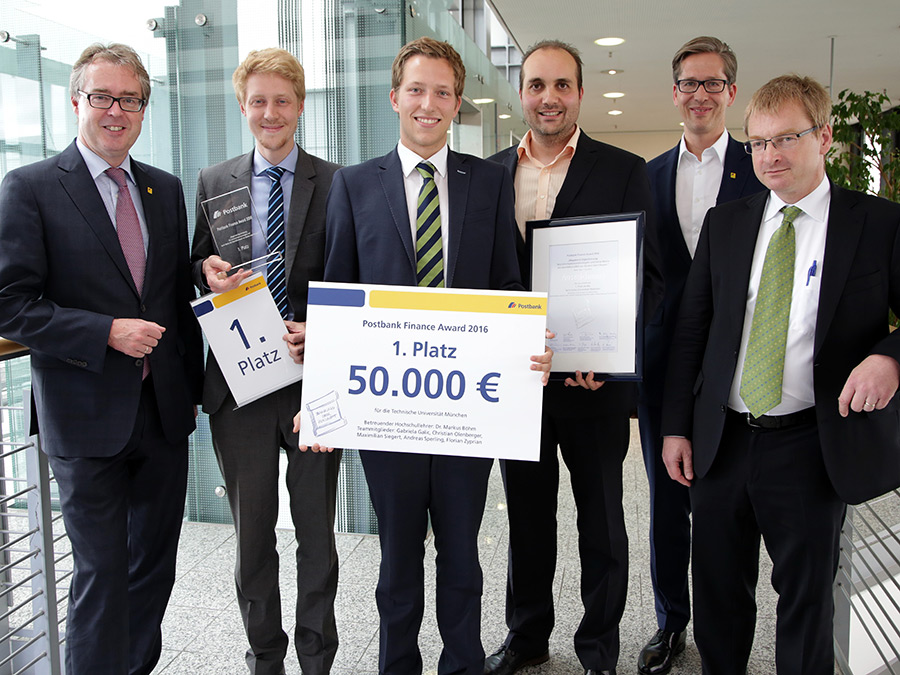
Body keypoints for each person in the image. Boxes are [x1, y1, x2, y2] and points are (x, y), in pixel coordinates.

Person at [321, 36, 552, 675]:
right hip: (387, 412)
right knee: (397, 560)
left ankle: (463, 665)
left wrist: (529, 343)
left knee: (461, 555)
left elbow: (508, 286)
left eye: (443, 92)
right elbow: (339, 297)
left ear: (457, 103)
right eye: (417, 90)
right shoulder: (354, 185)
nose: (429, 103)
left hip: (466, 413)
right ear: (396, 98)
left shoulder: (488, 182)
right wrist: (325, 407)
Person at [661, 74, 900, 674]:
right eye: (758, 142)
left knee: (806, 600)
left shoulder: (877, 224)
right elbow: (693, 333)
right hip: (724, 441)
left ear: (822, 137)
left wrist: (890, 356)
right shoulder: (729, 223)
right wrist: (674, 429)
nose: (770, 156)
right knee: (717, 595)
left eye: (786, 139)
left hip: (812, 442)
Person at [0, 43, 203, 674]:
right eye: (103, 97)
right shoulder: (30, 187)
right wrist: (104, 332)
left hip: (163, 411)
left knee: (153, 567)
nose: (117, 111)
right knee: (100, 569)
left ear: (144, 107)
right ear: (76, 100)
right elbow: (9, 305)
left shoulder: (162, 188)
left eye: (131, 99)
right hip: (84, 415)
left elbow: (168, 283)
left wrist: (205, 271)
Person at [485, 40, 662, 675]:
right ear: (522, 93)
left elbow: (648, 276)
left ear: (580, 93)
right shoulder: (489, 172)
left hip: (593, 384)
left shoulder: (623, 168)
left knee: (601, 524)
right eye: (536, 85)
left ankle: (598, 649)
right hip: (518, 382)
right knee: (527, 521)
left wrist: (610, 354)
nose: (548, 97)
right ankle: (527, 636)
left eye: (562, 85)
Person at [190, 48, 341, 675]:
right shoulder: (212, 181)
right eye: (258, 101)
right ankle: (265, 660)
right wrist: (205, 272)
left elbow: (351, 282)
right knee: (252, 537)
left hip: (315, 383)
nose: (270, 112)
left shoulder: (337, 183)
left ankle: (316, 659)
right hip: (238, 385)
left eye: (282, 100)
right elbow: (194, 272)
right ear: (243, 106)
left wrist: (327, 339)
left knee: (315, 535)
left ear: (301, 107)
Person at [636, 36, 764, 674]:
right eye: (688, 83)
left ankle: (729, 623)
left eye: (712, 83)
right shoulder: (649, 173)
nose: (700, 95)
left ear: (731, 93)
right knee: (664, 499)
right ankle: (670, 622)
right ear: (676, 92)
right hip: (663, 366)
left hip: (737, 369)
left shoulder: (759, 167)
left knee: (724, 502)